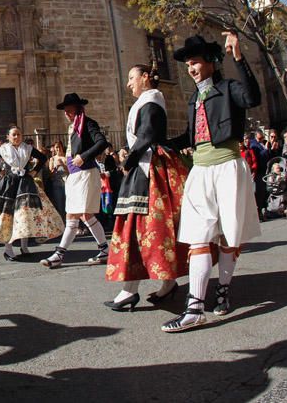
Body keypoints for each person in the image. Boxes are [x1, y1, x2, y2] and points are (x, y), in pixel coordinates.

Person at [161, 32, 261, 333]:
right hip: (201, 172)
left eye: (195, 63)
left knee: (228, 237)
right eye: (188, 64)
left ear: (210, 64)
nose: (191, 69)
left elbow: (253, 98)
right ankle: (194, 309)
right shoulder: (193, 99)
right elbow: (190, 138)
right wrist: (160, 144)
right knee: (198, 237)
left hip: (228, 168)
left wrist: (239, 59)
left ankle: (223, 289)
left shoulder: (229, 88)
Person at [104, 64, 190, 312]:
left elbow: (148, 134)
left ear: (144, 78)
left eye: (131, 78)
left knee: (139, 228)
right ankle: (166, 282)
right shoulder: (148, 101)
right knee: (151, 228)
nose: (128, 83)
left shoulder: (151, 100)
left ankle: (130, 291)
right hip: (146, 168)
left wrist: (128, 160)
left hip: (147, 170)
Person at [0, 126, 64, 261]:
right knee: (7, 216)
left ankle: (24, 246)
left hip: (25, 184)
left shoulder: (27, 148)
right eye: (14, 135)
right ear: (8, 137)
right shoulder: (3, 149)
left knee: (25, 215)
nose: (16, 137)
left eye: (18, 134)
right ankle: (8, 249)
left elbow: (42, 158)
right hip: (8, 184)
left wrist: (33, 171)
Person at [40, 93, 110, 269]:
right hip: (76, 175)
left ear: (78, 109)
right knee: (83, 215)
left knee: (76, 215)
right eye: (66, 111)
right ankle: (104, 250)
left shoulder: (87, 123)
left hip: (85, 173)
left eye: (70, 111)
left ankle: (59, 254)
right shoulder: (75, 126)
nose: (67, 114)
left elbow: (102, 143)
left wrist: (83, 157)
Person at [46, 141, 68, 218]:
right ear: (54, 149)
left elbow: (71, 172)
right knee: (59, 205)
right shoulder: (52, 159)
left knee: (68, 205)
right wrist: (55, 168)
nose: (58, 149)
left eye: (59, 147)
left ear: (62, 147)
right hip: (57, 185)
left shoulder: (67, 157)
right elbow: (50, 174)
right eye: (56, 147)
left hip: (67, 184)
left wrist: (63, 165)